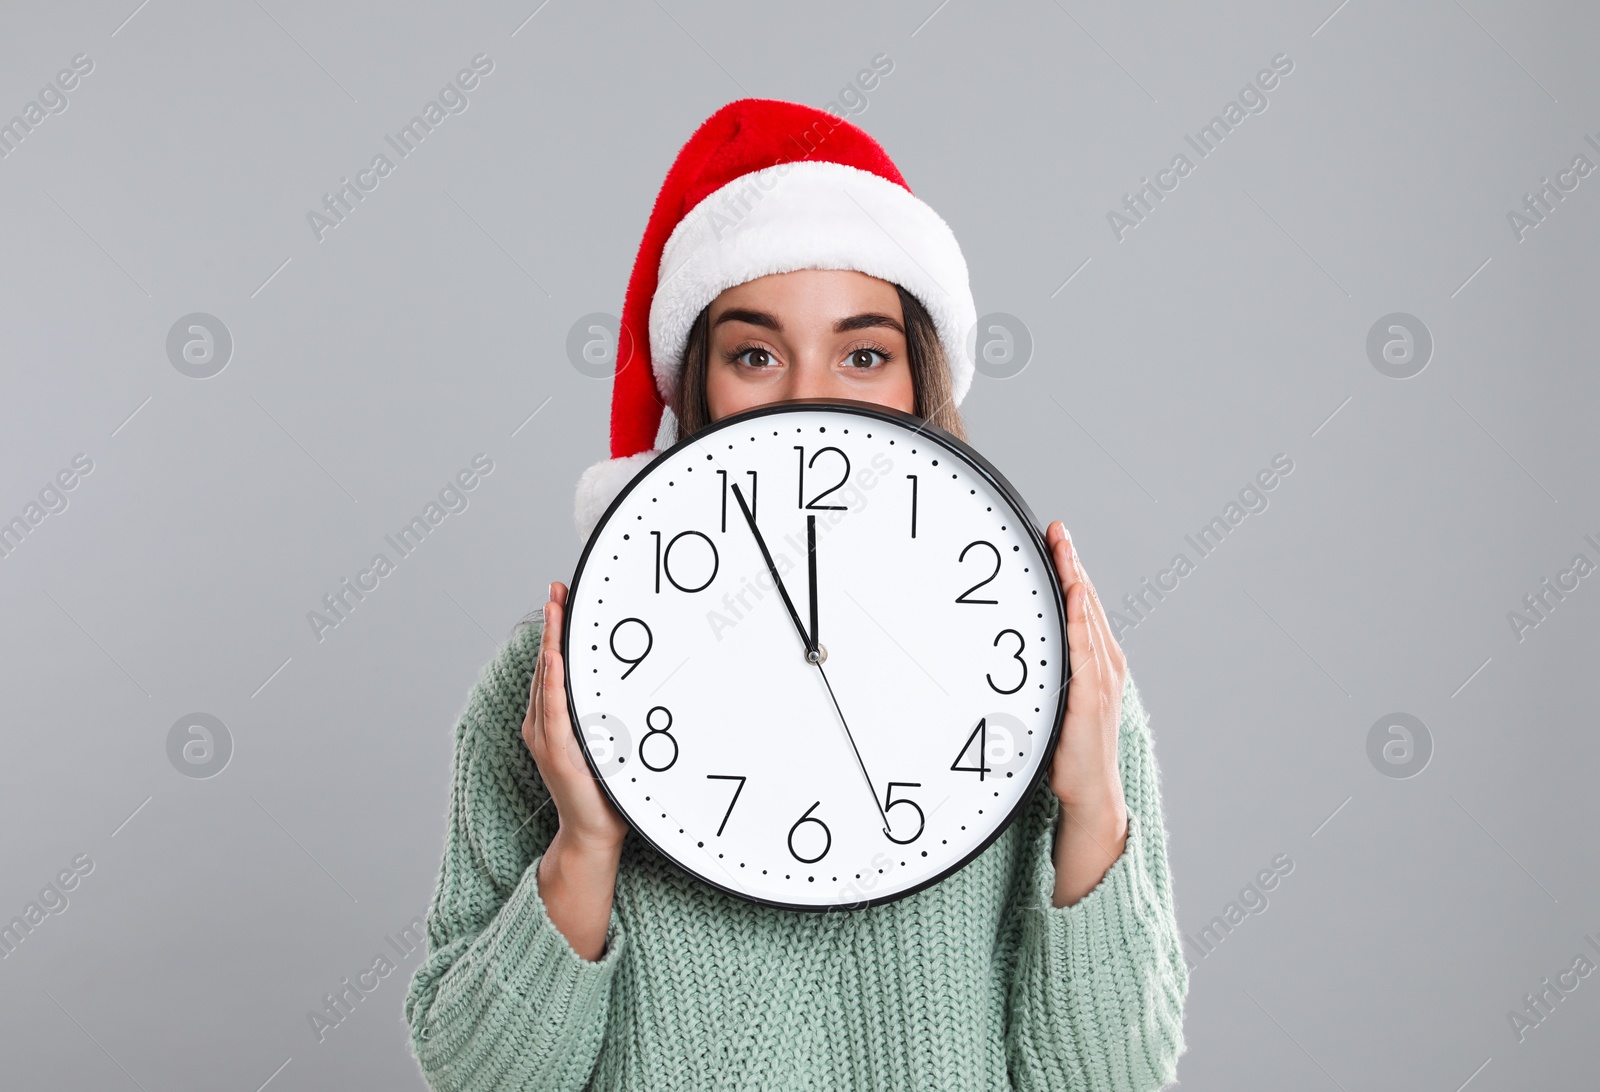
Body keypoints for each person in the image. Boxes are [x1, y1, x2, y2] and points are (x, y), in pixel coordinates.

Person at [403, 98, 1187, 1091]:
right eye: (755, 355)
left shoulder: (1047, 673)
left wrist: (1090, 804)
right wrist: (586, 843)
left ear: (919, 382)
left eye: (863, 354)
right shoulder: (551, 685)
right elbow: (476, 1074)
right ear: (696, 387)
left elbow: (1110, 1078)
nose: (807, 399)